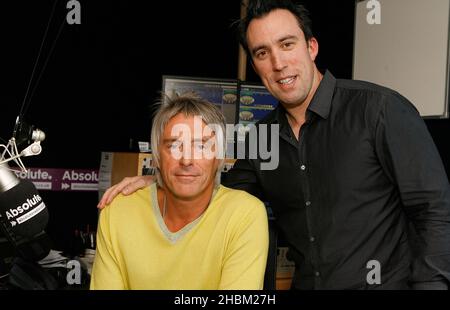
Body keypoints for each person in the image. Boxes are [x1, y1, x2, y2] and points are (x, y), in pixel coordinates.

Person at [98, 0, 450, 290]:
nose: (279, 63)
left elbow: (434, 210)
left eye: (287, 44)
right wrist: (158, 179)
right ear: (254, 64)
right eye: (262, 52)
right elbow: (216, 189)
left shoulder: (379, 111)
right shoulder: (262, 138)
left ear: (311, 47)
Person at [90, 95, 269, 289]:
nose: (186, 160)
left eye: (201, 146)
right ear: (157, 157)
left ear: (220, 158)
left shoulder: (244, 214)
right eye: (174, 145)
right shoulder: (118, 212)